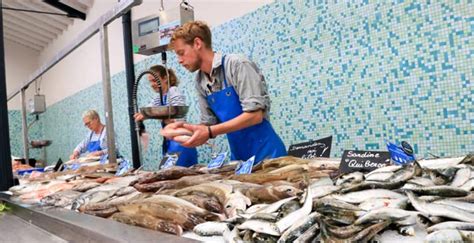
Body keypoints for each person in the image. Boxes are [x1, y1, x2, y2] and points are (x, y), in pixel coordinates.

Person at [165, 21, 287, 163]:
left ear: (197, 43)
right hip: (240, 159)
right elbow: (208, 124)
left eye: (181, 53)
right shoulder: (200, 80)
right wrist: (184, 130)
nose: (179, 60)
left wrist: (209, 132)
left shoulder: (237, 64)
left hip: (268, 155)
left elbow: (255, 116)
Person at [134, 65, 198, 167]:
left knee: (182, 175)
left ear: (164, 78)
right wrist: (142, 116)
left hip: (180, 140)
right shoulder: (159, 97)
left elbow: (176, 115)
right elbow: (149, 109)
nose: (152, 84)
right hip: (168, 141)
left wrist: (151, 114)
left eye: (155, 80)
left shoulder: (173, 91)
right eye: (150, 81)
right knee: (167, 173)